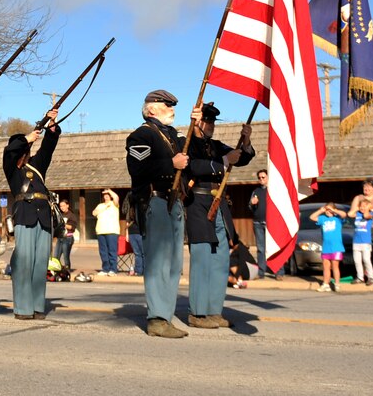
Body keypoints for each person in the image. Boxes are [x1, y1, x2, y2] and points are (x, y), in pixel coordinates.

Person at [125, 90, 191, 339]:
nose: (173, 109)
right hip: (155, 201)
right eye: (167, 105)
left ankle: (165, 314)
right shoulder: (142, 134)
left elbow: (188, 146)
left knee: (174, 264)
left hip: (173, 202)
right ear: (152, 109)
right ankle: (157, 318)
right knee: (159, 263)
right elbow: (137, 168)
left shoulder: (170, 135)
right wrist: (169, 165)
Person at [185, 102, 254, 330]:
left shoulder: (215, 145)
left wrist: (245, 141)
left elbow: (241, 158)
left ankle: (214, 311)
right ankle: (198, 312)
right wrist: (224, 162)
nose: (211, 126)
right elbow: (193, 166)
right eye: (208, 122)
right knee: (202, 261)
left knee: (220, 262)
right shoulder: (186, 142)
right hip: (198, 205)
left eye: (213, 122)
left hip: (219, 206)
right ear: (198, 122)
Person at [2, 109, 60, 321]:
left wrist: (51, 126)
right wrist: (26, 138)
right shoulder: (11, 168)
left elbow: (49, 147)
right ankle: (23, 308)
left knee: (40, 263)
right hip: (24, 215)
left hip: (43, 216)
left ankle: (37, 306)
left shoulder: (36, 164)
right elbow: (9, 151)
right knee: (24, 263)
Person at [348, 180, 373, 277]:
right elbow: (351, 213)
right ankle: (364, 276)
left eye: (369, 187)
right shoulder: (358, 198)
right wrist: (361, 208)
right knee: (362, 256)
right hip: (362, 230)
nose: (367, 189)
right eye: (365, 187)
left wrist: (371, 209)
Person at [248, 170, 284, 279]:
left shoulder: (274, 190)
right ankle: (261, 272)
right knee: (261, 249)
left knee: (274, 247)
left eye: (263, 177)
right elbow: (250, 207)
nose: (261, 179)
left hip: (272, 223)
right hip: (258, 223)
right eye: (259, 178)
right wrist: (252, 203)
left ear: (268, 177)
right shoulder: (256, 191)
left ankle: (278, 272)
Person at [310, 203, 347, 292]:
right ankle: (326, 284)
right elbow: (312, 217)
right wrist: (321, 210)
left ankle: (337, 283)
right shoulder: (323, 219)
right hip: (326, 247)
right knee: (326, 267)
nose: (328, 212)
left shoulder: (338, 219)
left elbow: (344, 214)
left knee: (335, 266)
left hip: (336, 247)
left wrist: (334, 210)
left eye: (330, 210)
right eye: (327, 210)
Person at [93, 189, 120, 276]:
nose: (106, 196)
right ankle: (105, 269)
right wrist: (104, 207)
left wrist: (110, 190)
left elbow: (116, 197)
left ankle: (113, 269)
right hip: (101, 230)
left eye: (107, 195)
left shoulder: (114, 204)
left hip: (112, 231)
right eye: (104, 195)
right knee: (103, 251)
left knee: (112, 251)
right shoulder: (100, 205)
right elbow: (94, 213)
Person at [349, 198, 373, 285]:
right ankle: (360, 277)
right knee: (357, 260)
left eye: (364, 206)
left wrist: (367, 209)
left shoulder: (370, 214)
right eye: (361, 206)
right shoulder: (358, 214)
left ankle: (370, 277)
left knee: (366, 259)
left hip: (365, 242)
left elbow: (367, 216)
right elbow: (350, 214)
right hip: (356, 241)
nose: (362, 208)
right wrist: (357, 208)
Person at [53, 199, 78, 269]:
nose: (62, 207)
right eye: (61, 206)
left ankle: (67, 271)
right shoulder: (60, 215)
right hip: (60, 238)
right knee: (56, 257)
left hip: (68, 238)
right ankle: (57, 271)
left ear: (67, 205)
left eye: (63, 206)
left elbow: (72, 227)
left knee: (66, 257)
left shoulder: (71, 215)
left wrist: (63, 224)